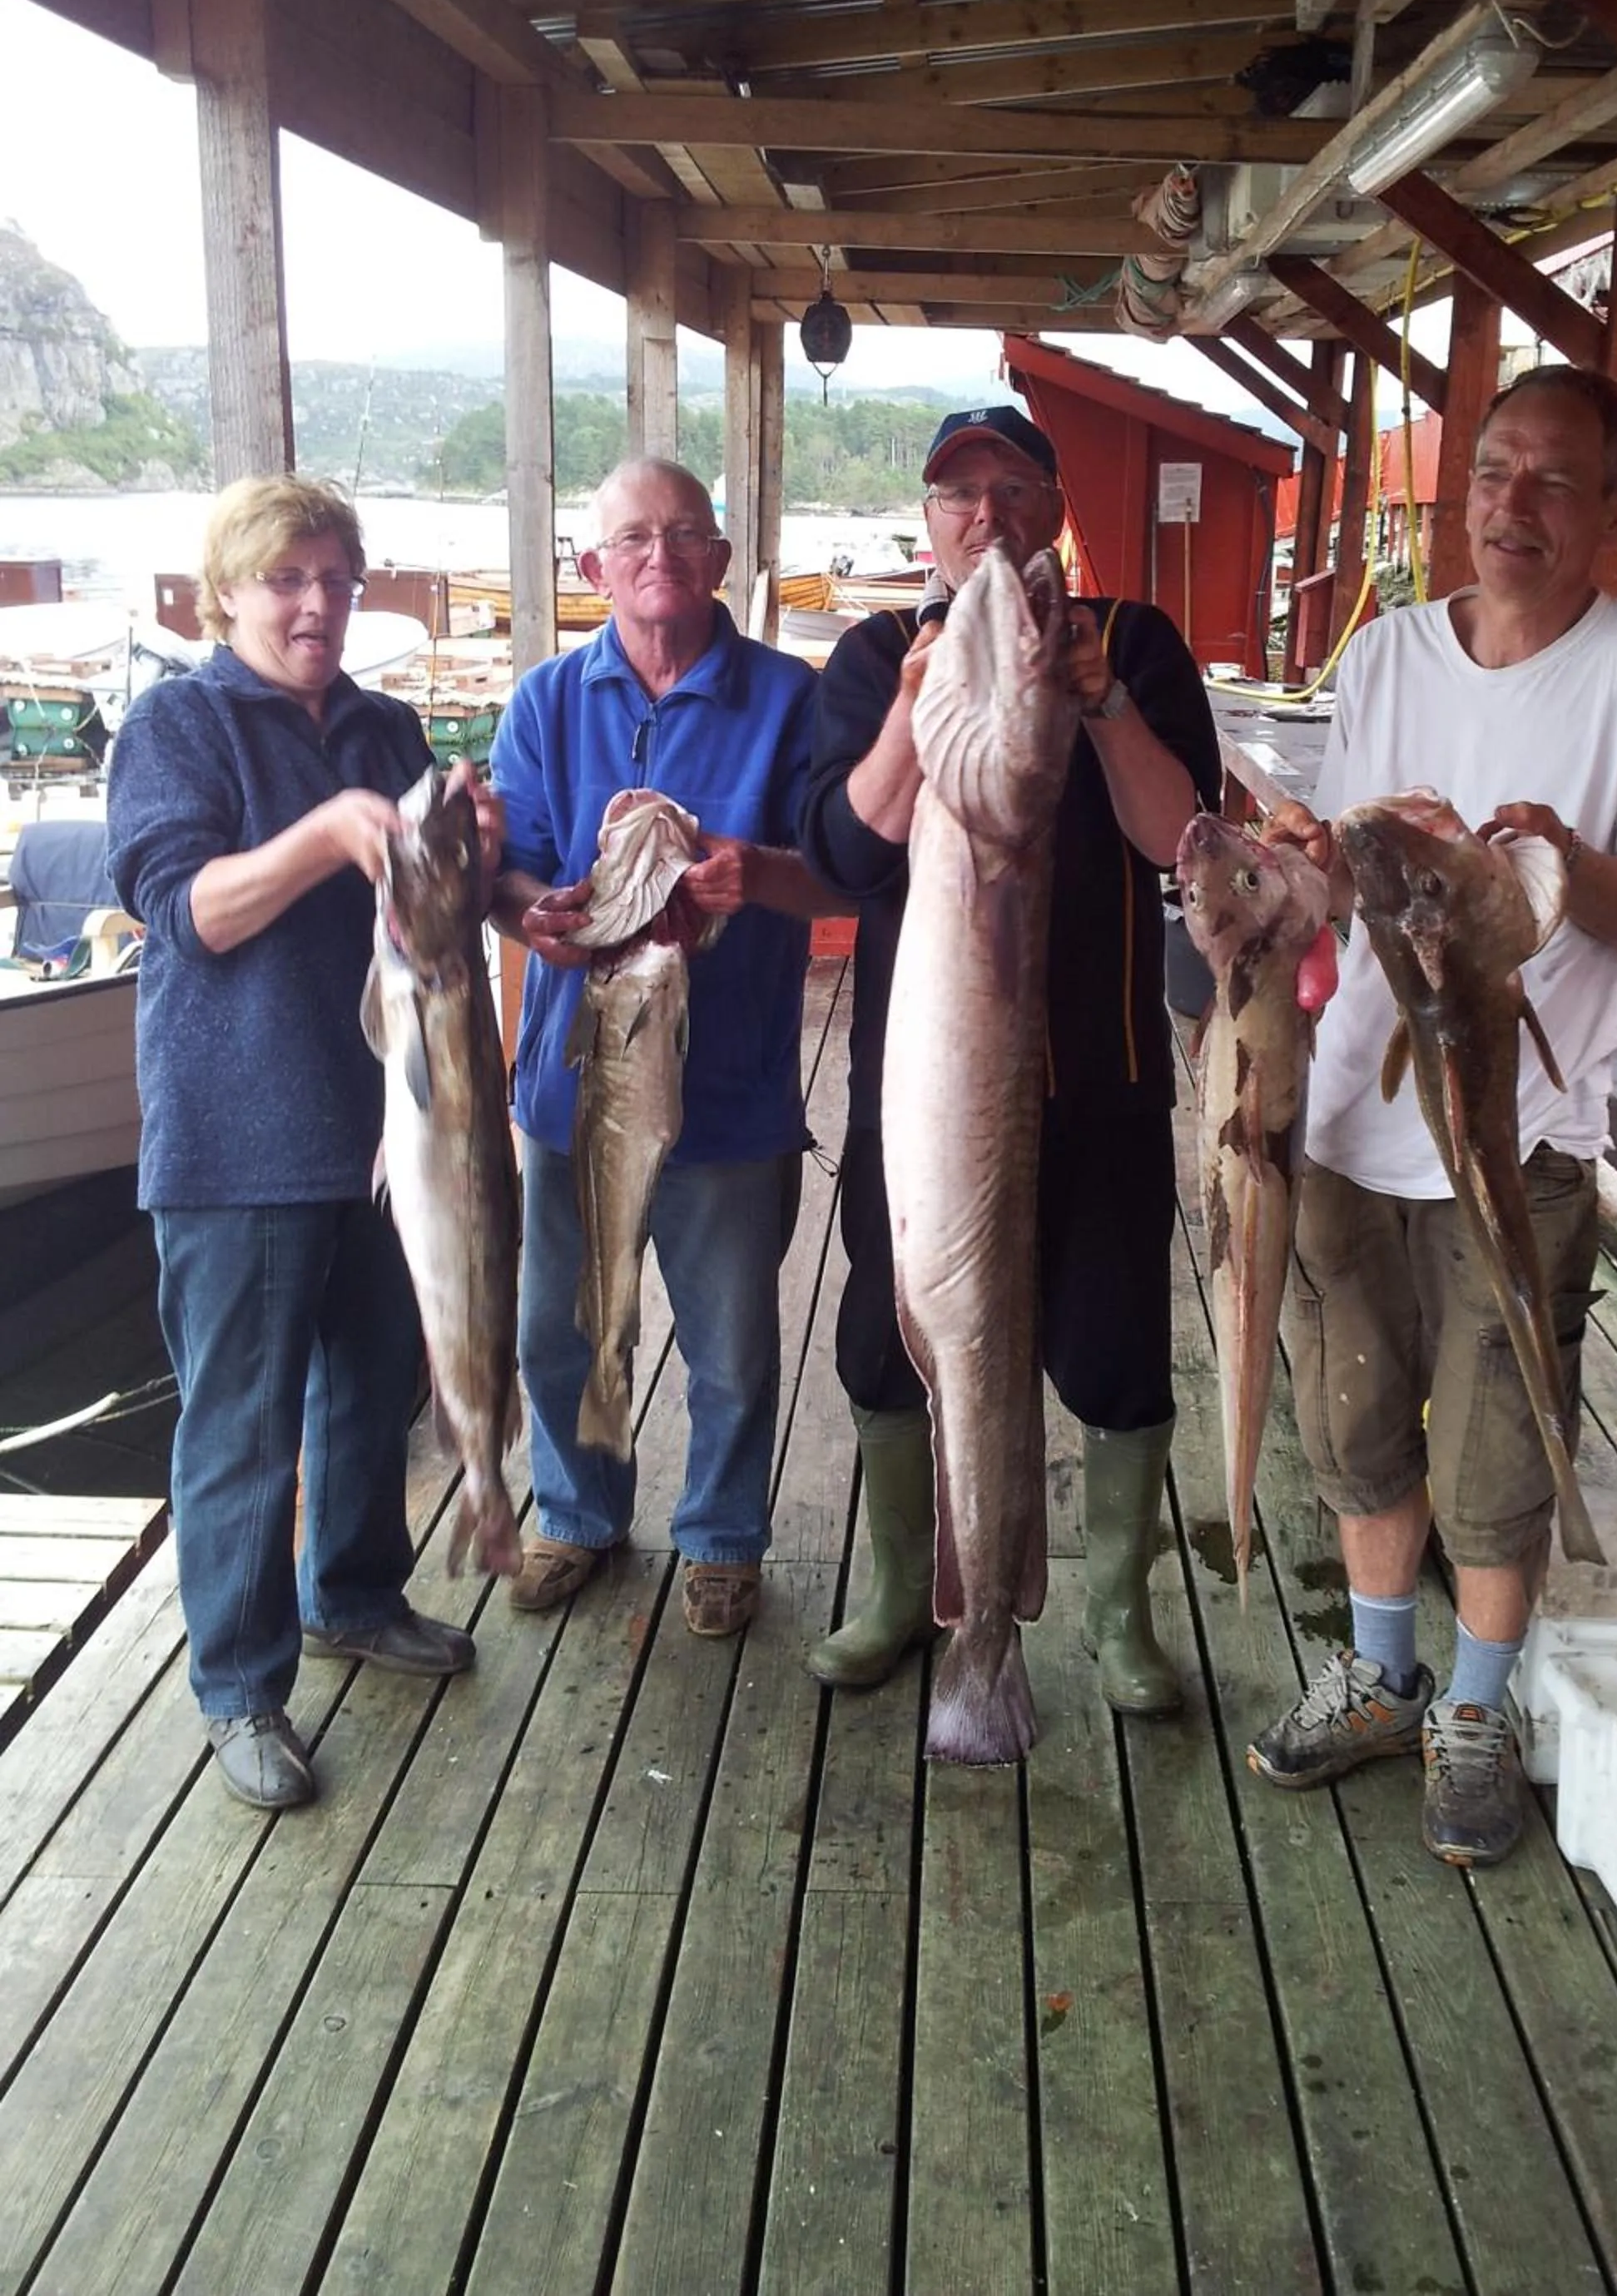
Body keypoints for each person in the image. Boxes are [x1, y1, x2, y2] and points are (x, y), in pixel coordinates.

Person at [1245, 365, 1617, 1867]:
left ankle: (1475, 1704)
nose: (1514, 505)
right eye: (1493, 472)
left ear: (1614, 509)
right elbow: (1340, 882)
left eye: (1554, 481)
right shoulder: (1385, 652)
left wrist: (1555, 864)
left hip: (1524, 1126)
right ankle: (1383, 1674)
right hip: (1350, 1102)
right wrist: (1283, 871)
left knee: (1504, 1432)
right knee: (1355, 1404)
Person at [800, 406, 1222, 1714]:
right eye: (955, 494)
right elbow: (841, 853)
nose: (983, 513)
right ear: (928, 524)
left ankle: (1116, 1614)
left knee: (1114, 1345)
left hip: (1102, 1076)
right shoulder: (875, 654)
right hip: (924, 1091)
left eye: (1011, 487)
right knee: (889, 1329)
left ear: (1052, 509)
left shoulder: (1136, 642)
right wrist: (916, 709)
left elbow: (1181, 844)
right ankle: (901, 1594)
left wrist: (1096, 706)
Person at [107, 476, 486, 1813]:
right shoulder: (175, 725)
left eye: (337, 577)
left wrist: (471, 847)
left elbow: (431, 898)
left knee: (369, 1388)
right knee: (243, 1428)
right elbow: (188, 910)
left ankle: (358, 1596)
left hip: (389, 1133)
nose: (319, 603)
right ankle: (240, 1686)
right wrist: (329, 836)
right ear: (229, 595)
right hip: (236, 1141)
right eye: (288, 581)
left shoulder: (384, 725)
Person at [489, 459, 835, 1639]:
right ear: (592, 569)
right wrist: (537, 908)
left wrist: (753, 875)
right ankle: (578, 1511)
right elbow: (515, 868)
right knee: (563, 1319)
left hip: (731, 1086)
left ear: (720, 561)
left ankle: (722, 1536)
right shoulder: (542, 700)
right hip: (572, 1080)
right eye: (631, 538)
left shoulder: (793, 698)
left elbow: (834, 867)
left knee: (731, 1338)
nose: (658, 556)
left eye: (685, 534)